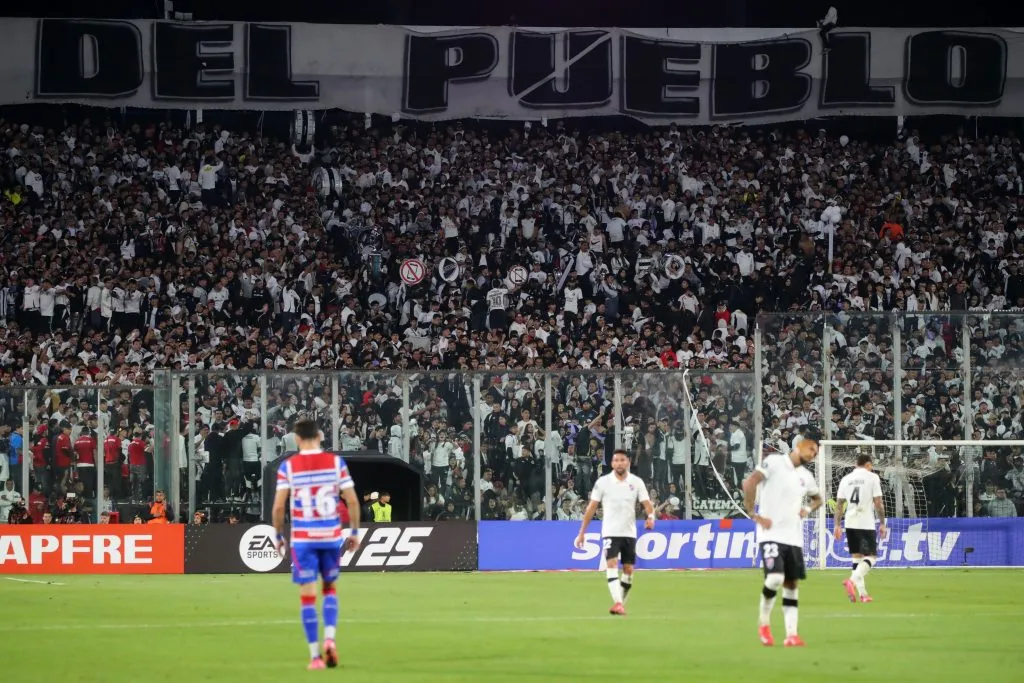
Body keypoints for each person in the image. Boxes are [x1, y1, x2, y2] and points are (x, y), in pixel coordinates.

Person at [273, 418, 361, 671]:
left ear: (297, 439)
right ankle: (330, 639)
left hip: (303, 540)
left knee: (307, 597)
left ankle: (314, 657)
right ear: (320, 436)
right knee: (330, 589)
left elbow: (279, 506)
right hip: (331, 537)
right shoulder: (336, 463)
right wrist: (354, 531)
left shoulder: (288, 467)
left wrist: (278, 535)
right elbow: (352, 501)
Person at [742, 431, 824, 647]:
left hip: (793, 537)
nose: (813, 454)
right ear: (800, 445)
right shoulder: (774, 462)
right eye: (811, 449)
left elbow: (818, 499)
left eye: (816, 452)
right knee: (776, 578)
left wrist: (806, 508)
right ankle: (764, 623)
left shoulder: (806, 476)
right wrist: (754, 515)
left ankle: (791, 634)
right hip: (770, 534)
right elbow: (749, 483)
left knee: (791, 584)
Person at [574, 449, 655, 616]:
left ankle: (620, 604)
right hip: (610, 531)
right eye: (616, 460)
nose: (619, 463)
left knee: (628, 571)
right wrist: (582, 532)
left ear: (628, 462)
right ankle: (618, 603)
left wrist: (651, 516)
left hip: (629, 532)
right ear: (612, 463)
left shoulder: (636, 482)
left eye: (622, 460)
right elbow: (591, 508)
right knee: (611, 564)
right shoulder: (603, 483)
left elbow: (647, 504)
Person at [834, 453, 886, 603]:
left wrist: (837, 525)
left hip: (850, 522)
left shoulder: (846, 479)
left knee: (857, 559)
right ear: (868, 464)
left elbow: (839, 505)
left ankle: (862, 594)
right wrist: (882, 523)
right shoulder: (872, 477)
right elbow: (878, 503)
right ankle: (851, 581)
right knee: (871, 557)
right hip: (865, 522)